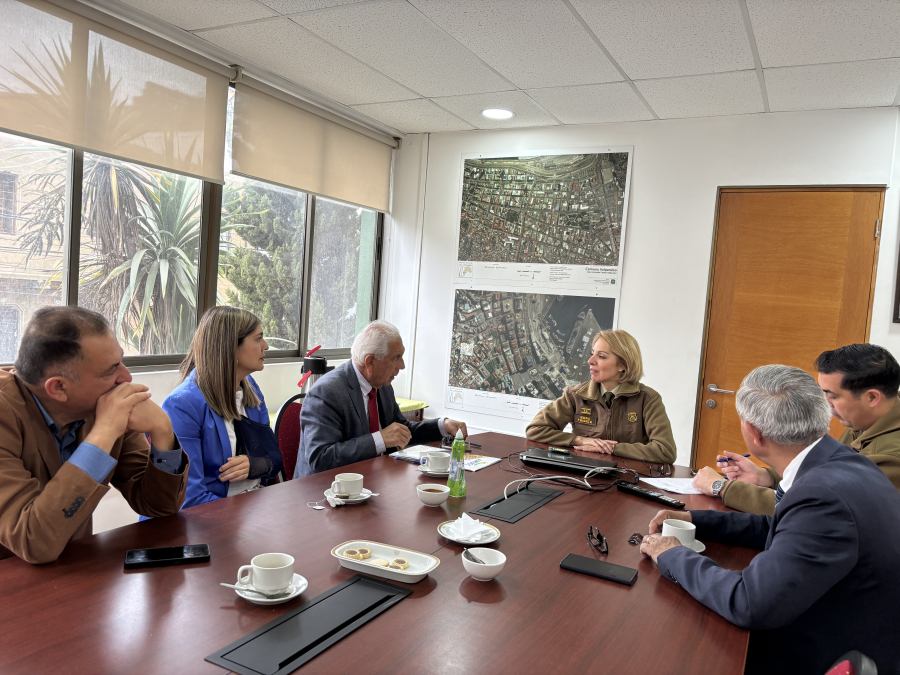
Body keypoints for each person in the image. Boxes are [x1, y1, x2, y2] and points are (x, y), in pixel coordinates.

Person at [640, 365, 900, 674]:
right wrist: (695, 520)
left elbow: (749, 602)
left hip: (827, 652)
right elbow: (780, 526)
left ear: (753, 432)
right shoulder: (842, 461)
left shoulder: (823, 497)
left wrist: (671, 554)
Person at [0, 307, 187, 564]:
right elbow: (34, 541)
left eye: (121, 360)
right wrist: (103, 434)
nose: (126, 377)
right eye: (111, 370)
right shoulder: (6, 413)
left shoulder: (98, 406)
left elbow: (159, 506)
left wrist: (163, 431)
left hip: (74, 572)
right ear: (59, 387)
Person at [693, 344, 900, 514]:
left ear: (871, 397)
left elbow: (815, 506)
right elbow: (821, 472)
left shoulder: (892, 454)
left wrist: (723, 488)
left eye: (833, 396)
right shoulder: (864, 423)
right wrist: (767, 477)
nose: (825, 404)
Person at [294, 320, 468, 478]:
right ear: (370, 362)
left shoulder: (382, 385)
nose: (402, 365)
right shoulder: (326, 392)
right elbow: (321, 458)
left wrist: (442, 425)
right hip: (324, 492)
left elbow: (402, 432)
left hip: (371, 481)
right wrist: (380, 440)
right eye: (396, 357)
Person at [163, 307, 282, 509]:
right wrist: (246, 517)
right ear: (231, 347)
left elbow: (274, 459)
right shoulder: (182, 405)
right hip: (215, 517)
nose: (266, 346)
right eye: (258, 338)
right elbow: (189, 499)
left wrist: (255, 465)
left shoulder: (251, 389)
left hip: (253, 506)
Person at [525, 329, 676, 463]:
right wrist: (581, 441)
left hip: (626, 476)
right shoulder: (575, 395)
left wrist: (612, 448)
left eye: (601, 356)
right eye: (593, 354)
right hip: (583, 473)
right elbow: (535, 429)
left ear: (623, 365)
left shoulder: (648, 399)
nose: (590, 361)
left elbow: (665, 450)